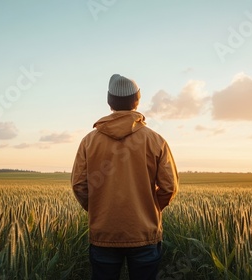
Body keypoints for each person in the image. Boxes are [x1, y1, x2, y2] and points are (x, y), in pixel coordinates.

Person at [71, 74, 179, 280]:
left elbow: (79, 185)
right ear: (137, 100)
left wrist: (99, 209)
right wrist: (149, 209)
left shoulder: (89, 141)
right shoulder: (155, 140)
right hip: (144, 234)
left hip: (104, 233)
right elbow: (169, 187)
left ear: (109, 102)